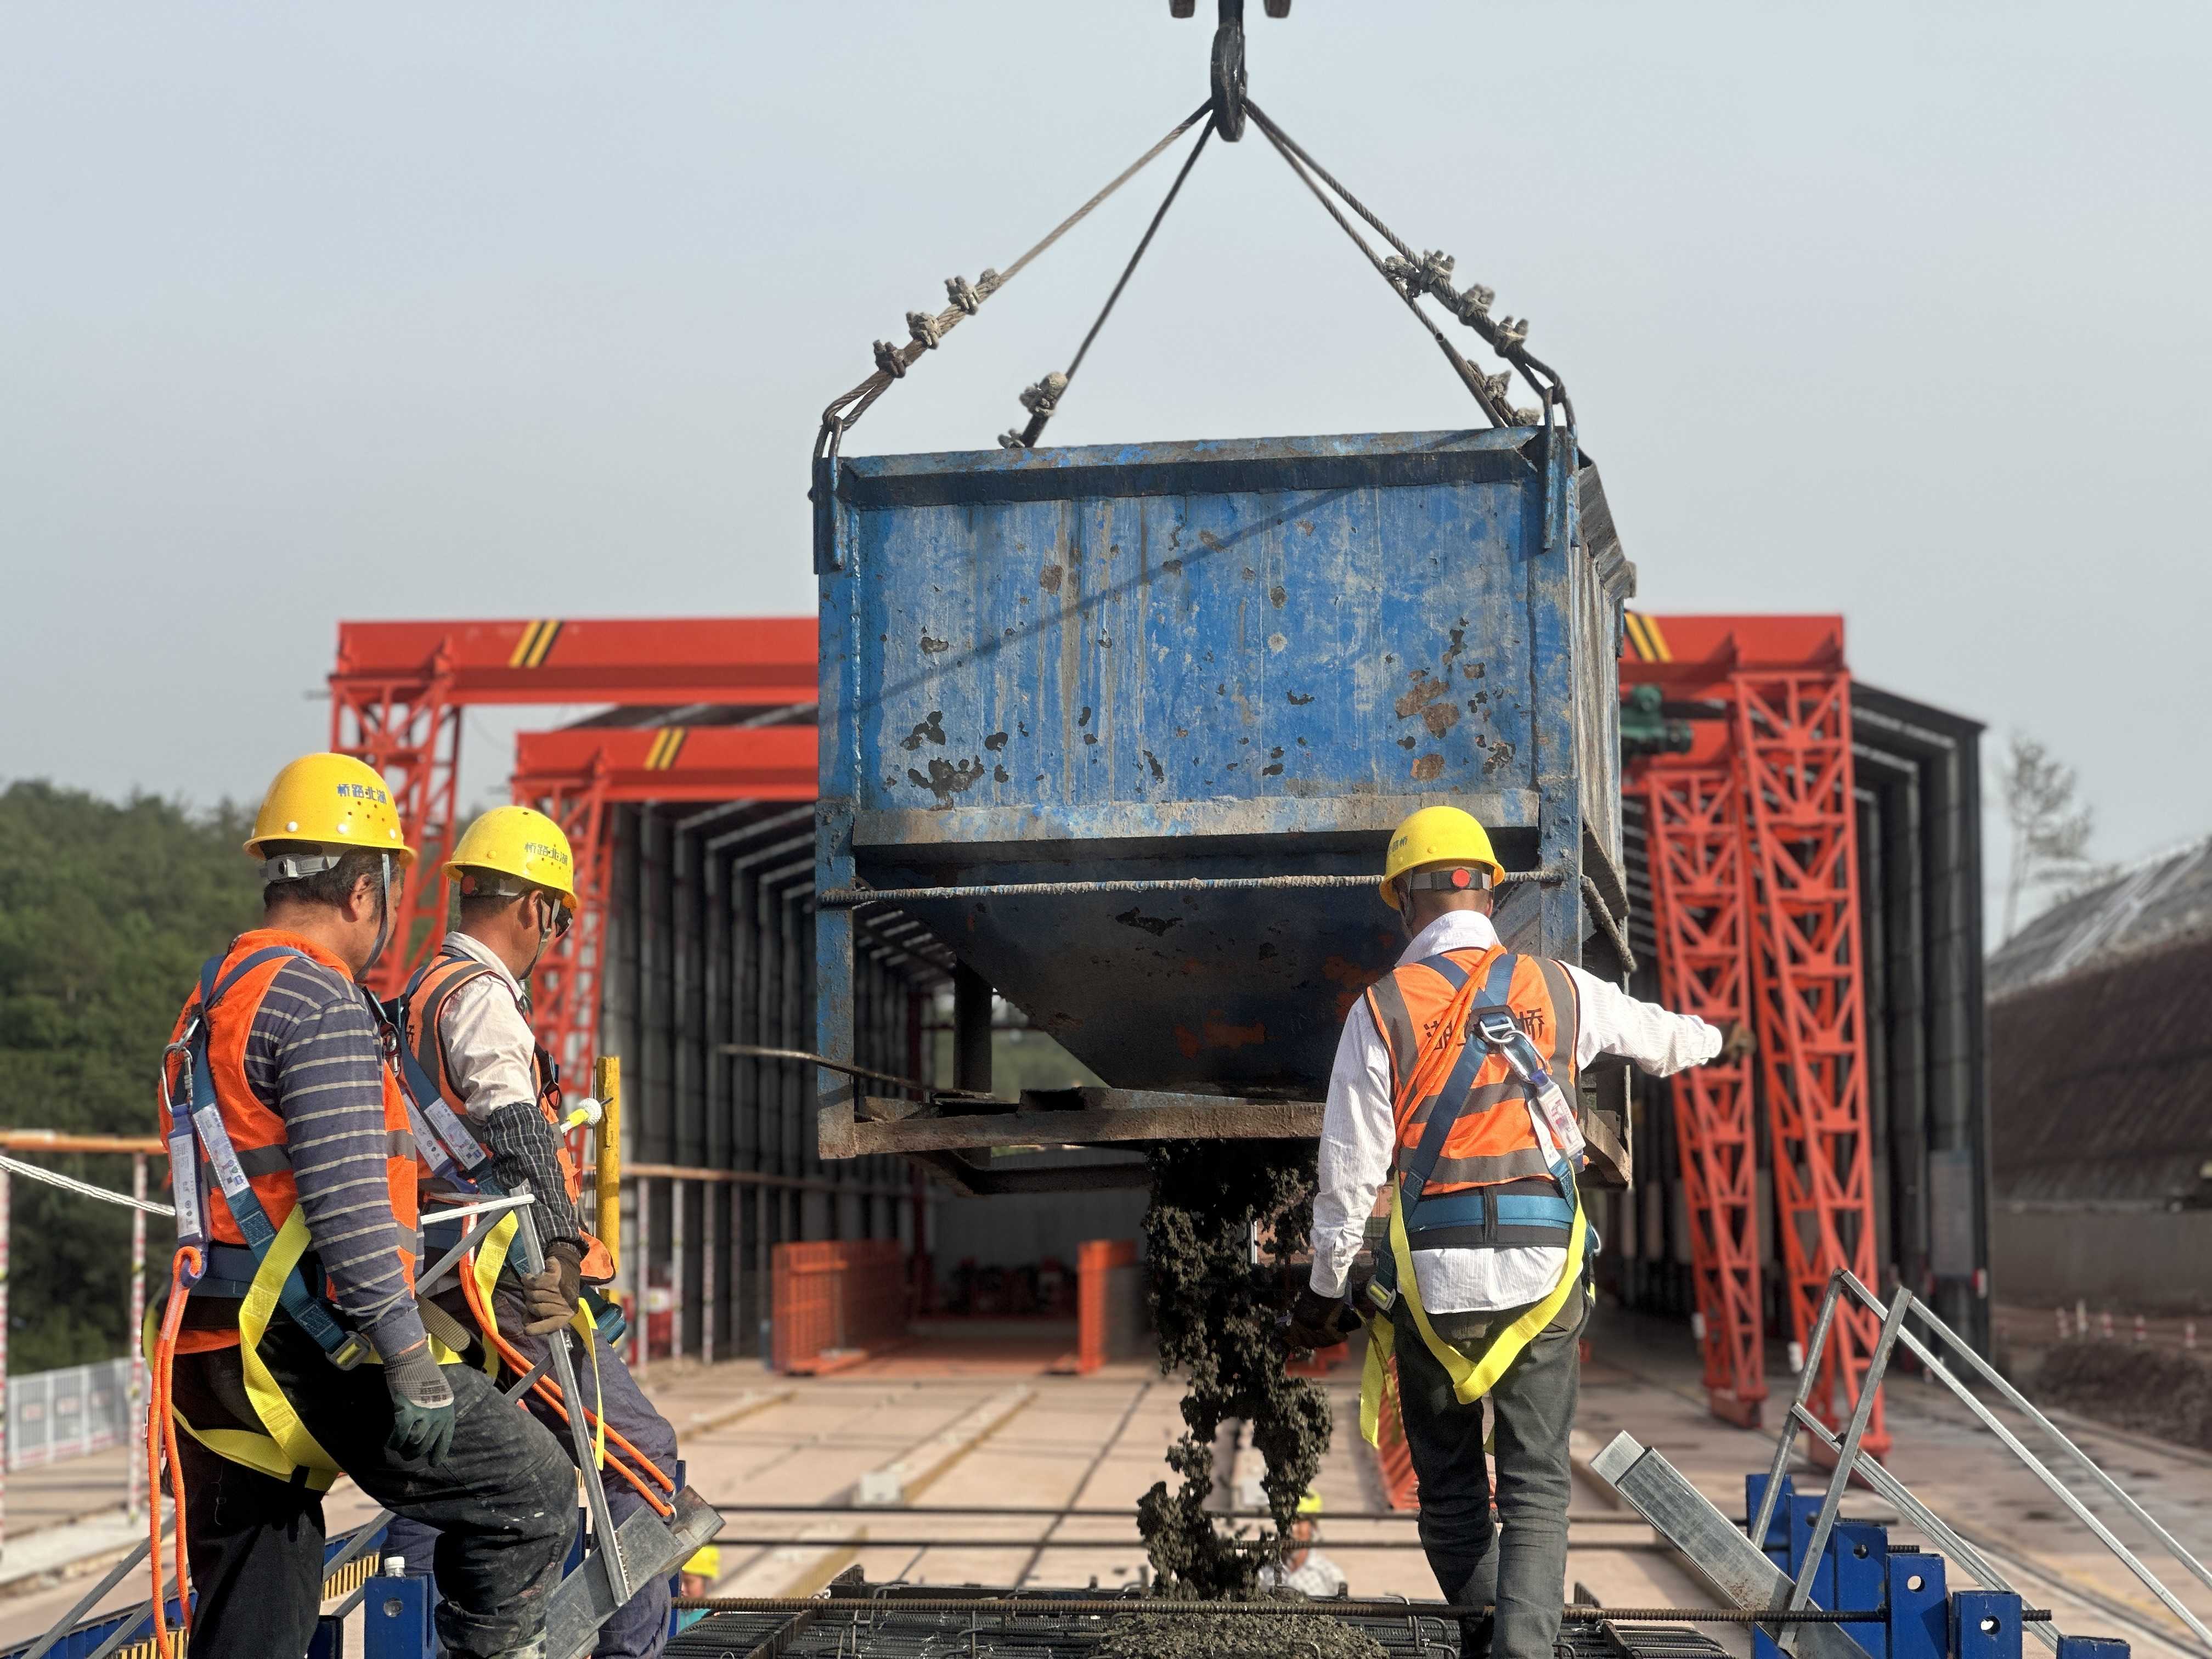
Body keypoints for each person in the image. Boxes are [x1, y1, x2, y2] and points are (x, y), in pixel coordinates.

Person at [1282, 806, 1749, 1659]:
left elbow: (1348, 1179)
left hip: (1434, 1290)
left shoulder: (1380, 1010)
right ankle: (1521, 1649)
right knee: (1537, 1491)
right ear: (1491, 898)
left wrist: (1321, 1298)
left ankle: (1500, 1639)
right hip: (1544, 1280)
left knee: (1452, 1495)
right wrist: (1722, 1039)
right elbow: (1665, 1040)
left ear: (1404, 906)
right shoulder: (1560, 988)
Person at [155, 753, 576, 1659]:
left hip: (206, 1344)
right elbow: (348, 1202)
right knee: (532, 1489)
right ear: (362, 890)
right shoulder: (320, 999)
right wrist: (408, 1359)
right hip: (300, 1342)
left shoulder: (217, 990)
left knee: (256, 1609)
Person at [382, 804, 684, 1659]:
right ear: (534, 908)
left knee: (449, 1471)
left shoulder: (420, 995)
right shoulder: (481, 999)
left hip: (436, 1283)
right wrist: (562, 1250)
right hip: (500, 1284)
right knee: (640, 1458)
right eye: (559, 918)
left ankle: (410, 1638)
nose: (554, 937)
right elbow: (516, 1132)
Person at [1257, 1493, 1347, 1598]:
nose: (1292, 1529)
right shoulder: (1261, 1573)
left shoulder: (1330, 1575)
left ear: (1313, 1527)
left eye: (1299, 1521)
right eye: (1285, 1521)